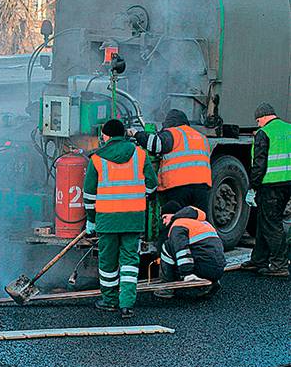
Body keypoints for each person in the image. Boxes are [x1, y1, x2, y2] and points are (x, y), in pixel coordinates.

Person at [83, 119, 158, 318]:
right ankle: (126, 304)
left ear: (106, 136)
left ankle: (109, 301)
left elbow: (89, 195)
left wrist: (91, 219)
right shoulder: (140, 155)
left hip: (107, 220)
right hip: (133, 219)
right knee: (130, 261)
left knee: (107, 262)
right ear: (124, 134)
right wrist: (141, 195)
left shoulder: (97, 159)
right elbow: (152, 185)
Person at [129, 109, 211, 213]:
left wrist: (137, 134)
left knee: (176, 219)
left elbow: (156, 145)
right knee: (199, 217)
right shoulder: (201, 137)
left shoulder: (174, 133)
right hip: (201, 187)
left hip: (179, 187)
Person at [241, 103, 290, 277]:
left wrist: (253, 186)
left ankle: (279, 265)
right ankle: (259, 260)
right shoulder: (288, 128)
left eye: (258, 120)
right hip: (287, 184)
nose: (258, 124)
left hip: (270, 185)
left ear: (262, 117)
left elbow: (259, 163)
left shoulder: (264, 132)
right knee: (265, 221)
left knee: (271, 223)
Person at [156, 201, 225, 298]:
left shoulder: (178, 225)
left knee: (167, 246)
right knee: (197, 249)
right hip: (218, 269)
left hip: (203, 268)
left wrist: (187, 273)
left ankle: (167, 287)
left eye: (165, 217)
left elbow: (181, 250)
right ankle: (212, 282)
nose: (164, 222)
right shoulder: (204, 223)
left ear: (173, 215)